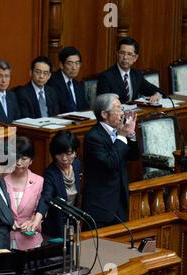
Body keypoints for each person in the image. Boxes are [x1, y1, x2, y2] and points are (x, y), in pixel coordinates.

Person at [83, 93, 140, 228]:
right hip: (101, 207)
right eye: (118, 109)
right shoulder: (93, 137)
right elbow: (110, 162)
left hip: (120, 204)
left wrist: (130, 134)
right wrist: (121, 136)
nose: (122, 113)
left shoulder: (119, 131)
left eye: (122, 109)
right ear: (104, 114)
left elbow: (134, 156)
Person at [27, 131, 82, 238]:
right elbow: (46, 197)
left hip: (73, 222)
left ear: (75, 152)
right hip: (56, 225)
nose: (64, 158)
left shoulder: (77, 164)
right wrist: (37, 220)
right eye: (59, 154)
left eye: (68, 153)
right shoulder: (51, 172)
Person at [4, 136, 44, 250]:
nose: (18, 163)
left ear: (31, 160)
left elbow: (41, 209)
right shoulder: (1, 179)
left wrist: (32, 221)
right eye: (16, 158)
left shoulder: (39, 181)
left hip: (30, 241)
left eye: (24, 158)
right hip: (4, 238)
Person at [96, 37, 162, 104]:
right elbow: (103, 104)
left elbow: (153, 90)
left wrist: (156, 94)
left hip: (134, 113)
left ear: (135, 58)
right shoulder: (106, 77)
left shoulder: (136, 74)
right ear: (117, 54)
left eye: (129, 54)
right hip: (116, 113)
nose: (125, 57)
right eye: (122, 53)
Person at [47, 46, 89, 113]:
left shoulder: (79, 85)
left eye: (77, 63)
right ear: (61, 65)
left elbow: (85, 108)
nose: (74, 68)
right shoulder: (52, 81)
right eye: (70, 63)